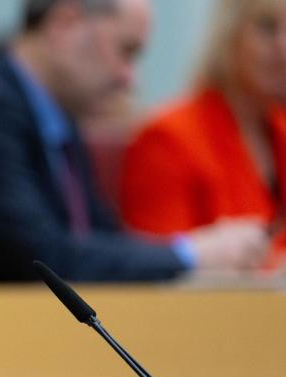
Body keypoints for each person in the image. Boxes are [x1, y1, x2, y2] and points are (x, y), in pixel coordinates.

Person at [0, 0, 267, 282]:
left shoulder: (55, 115)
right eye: (126, 51)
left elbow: (99, 241)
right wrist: (191, 253)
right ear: (66, 24)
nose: (130, 80)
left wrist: (202, 259)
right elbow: (46, 261)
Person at [121, 0, 285, 270]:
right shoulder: (169, 138)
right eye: (267, 28)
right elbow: (156, 274)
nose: (283, 48)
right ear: (228, 36)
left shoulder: (278, 130)